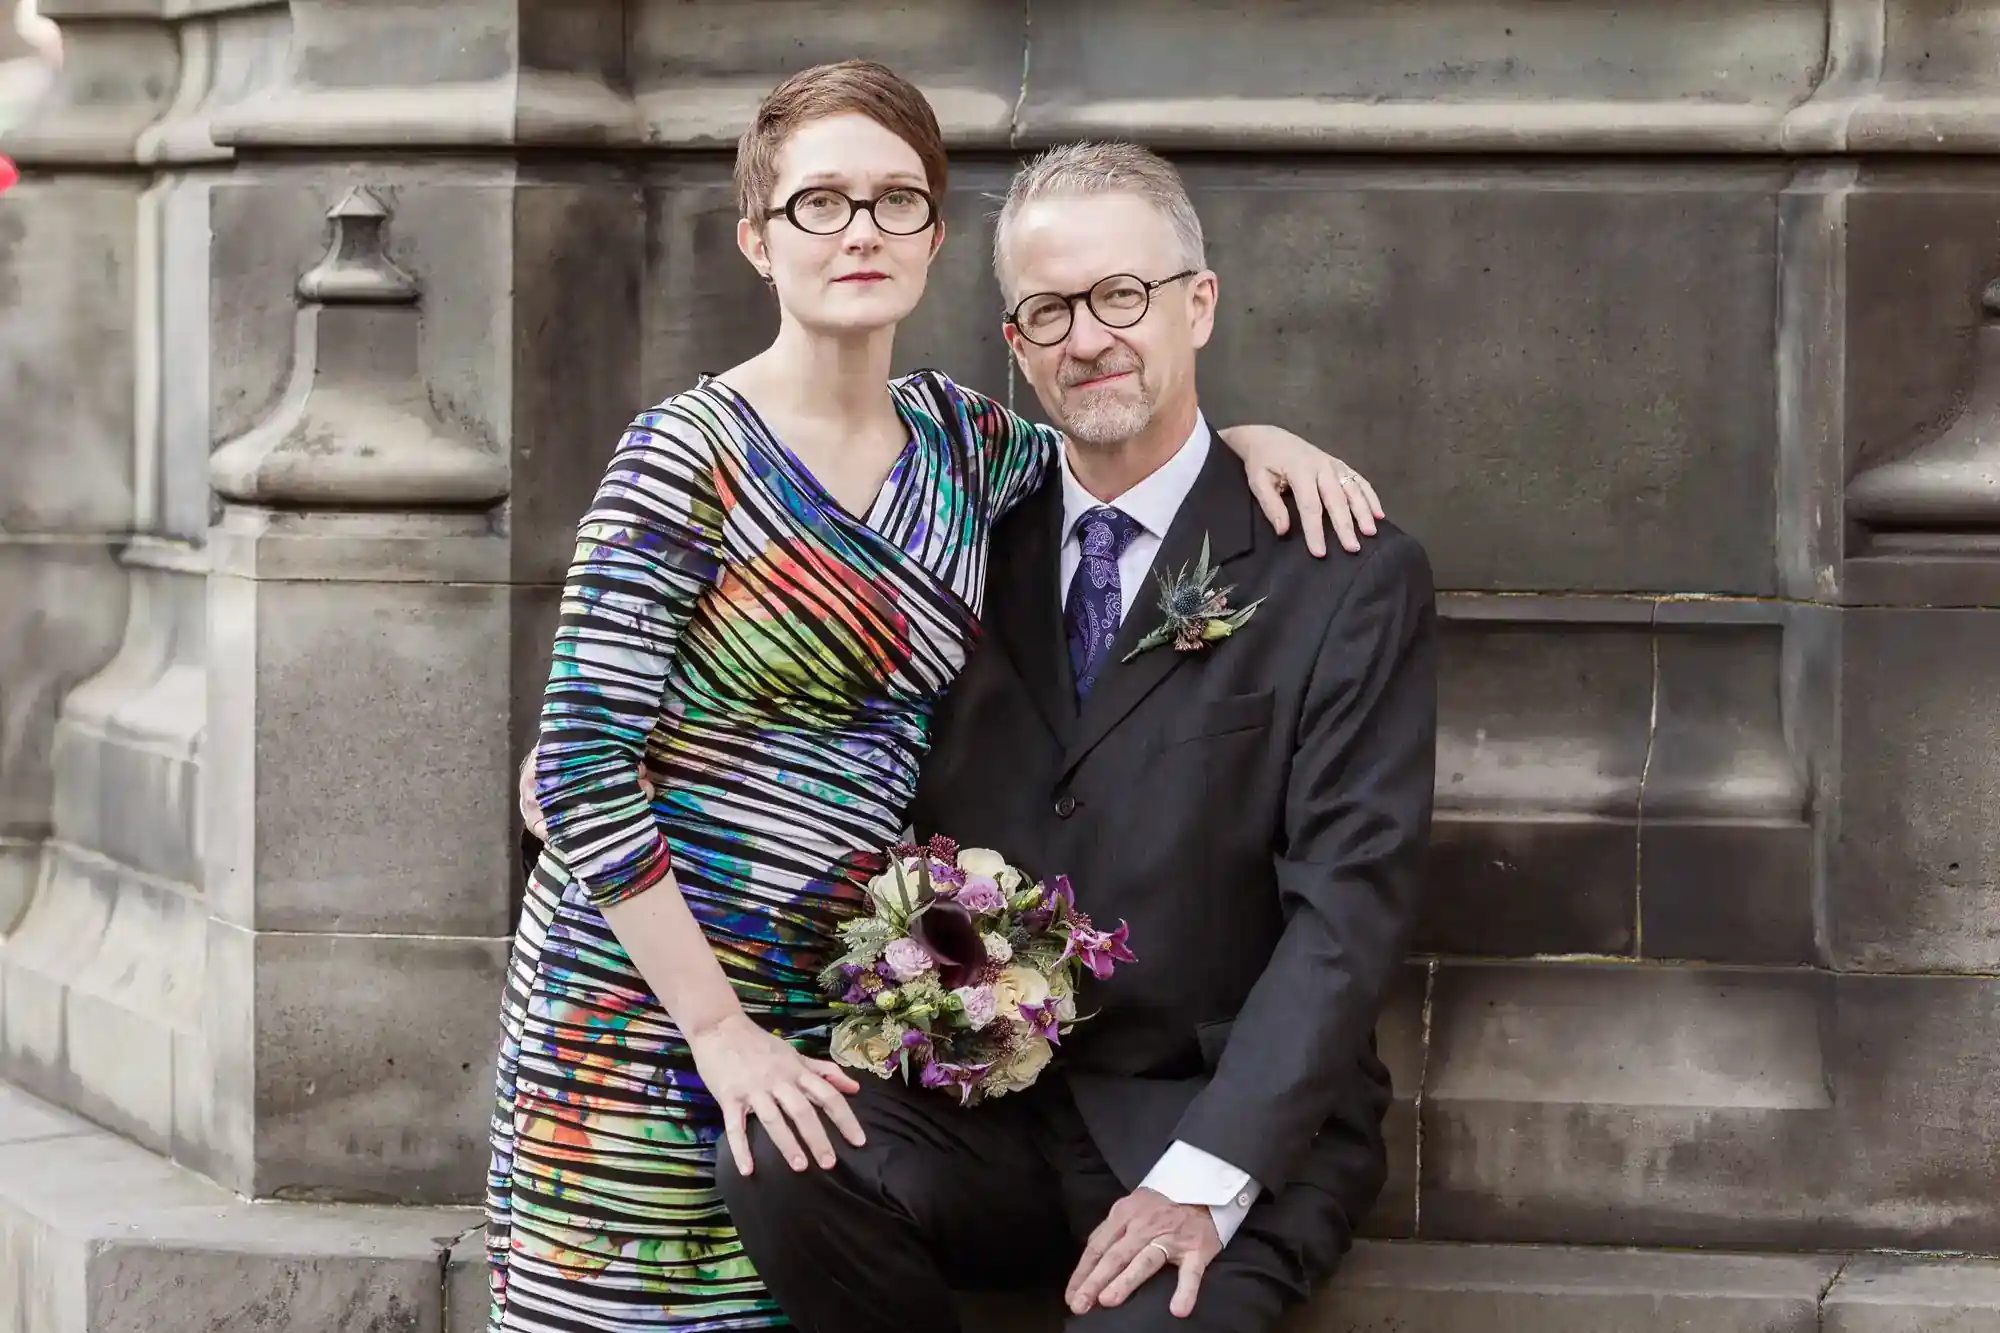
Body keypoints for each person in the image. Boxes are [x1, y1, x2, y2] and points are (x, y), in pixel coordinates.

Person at [490, 62, 1386, 1333]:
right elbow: (578, 769)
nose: (860, 228)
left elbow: (1125, 443)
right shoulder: (681, 458)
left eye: (894, 199)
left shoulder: (967, 446)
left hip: (840, 1013)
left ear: (933, 235)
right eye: (818, 203)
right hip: (654, 1000)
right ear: (757, 236)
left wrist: (1248, 446)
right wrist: (718, 1033)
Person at [715, 143, 1437, 1333]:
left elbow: (1349, 910)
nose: (1086, 337)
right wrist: (603, 758)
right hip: (982, 1109)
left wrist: (1204, 1181)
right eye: (1047, 310)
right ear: (1013, 341)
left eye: (1120, 296)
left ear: (1196, 304)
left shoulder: (1340, 577)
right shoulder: (963, 539)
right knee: (780, 1152)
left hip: (1213, 1119)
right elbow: (799, 704)